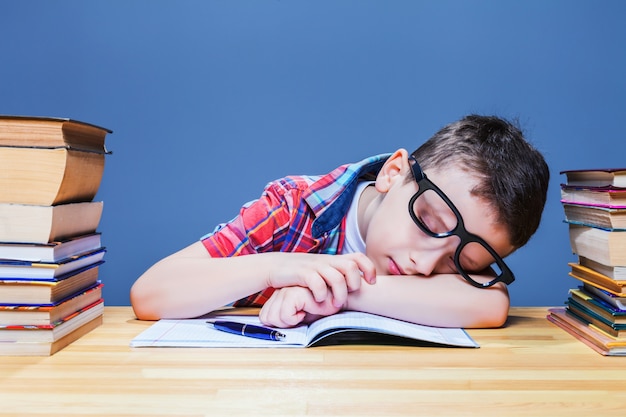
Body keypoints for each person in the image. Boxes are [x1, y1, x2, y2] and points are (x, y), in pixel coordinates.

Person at [130, 114, 549, 329]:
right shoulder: (294, 208)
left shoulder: (452, 253)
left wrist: (342, 296)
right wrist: (278, 266)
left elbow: (491, 303)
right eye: (428, 222)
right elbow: (150, 294)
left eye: (463, 263)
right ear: (393, 172)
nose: (425, 266)